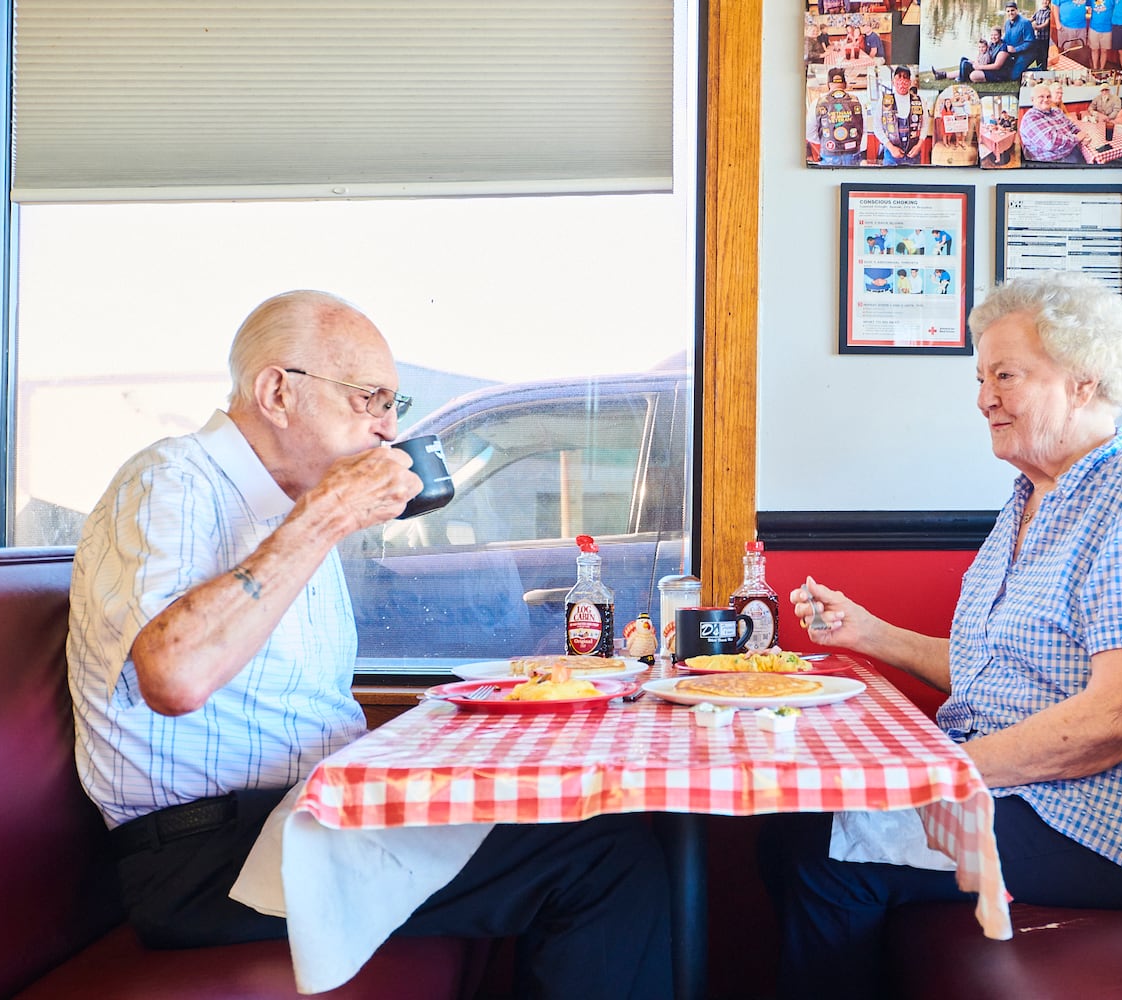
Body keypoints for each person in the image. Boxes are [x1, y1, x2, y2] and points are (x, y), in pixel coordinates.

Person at [67, 290, 673, 999]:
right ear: (277, 392)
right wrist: (326, 515)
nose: (390, 428)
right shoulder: (171, 480)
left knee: (589, 815)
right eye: (369, 399)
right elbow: (174, 677)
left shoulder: (287, 509)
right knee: (601, 855)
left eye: (394, 405)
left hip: (303, 816)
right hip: (206, 855)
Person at [760, 273, 1122, 1000]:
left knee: (824, 847)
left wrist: (932, 772)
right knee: (798, 825)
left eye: (1006, 375)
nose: (984, 398)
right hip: (1034, 795)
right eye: (981, 378)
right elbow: (995, 671)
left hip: (1119, 825)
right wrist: (868, 632)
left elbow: (1121, 714)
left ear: (1082, 382)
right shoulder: (1026, 501)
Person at [1018, 81, 1088, 163]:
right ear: (1032, 99)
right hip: (1053, 161)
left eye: (1048, 96)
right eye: (1041, 97)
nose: (1046, 99)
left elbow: (1071, 125)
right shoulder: (1030, 118)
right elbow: (1051, 142)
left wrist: (1081, 134)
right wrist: (1077, 138)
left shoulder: (1056, 111)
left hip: (1071, 151)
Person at [870, 65, 926, 165]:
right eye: (898, 78)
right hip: (891, 154)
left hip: (913, 152)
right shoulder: (884, 100)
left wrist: (919, 146)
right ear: (893, 82)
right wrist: (891, 148)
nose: (902, 82)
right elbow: (877, 127)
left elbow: (924, 125)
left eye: (905, 78)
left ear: (910, 82)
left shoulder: (919, 100)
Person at [813, 68, 865, 166]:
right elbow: (864, 128)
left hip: (829, 152)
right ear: (845, 84)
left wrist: (825, 141)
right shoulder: (856, 100)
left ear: (828, 84)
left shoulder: (818, 102)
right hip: (852, 152)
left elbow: (809, 132)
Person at [1000, 0, 1041, 80]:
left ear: (1017, 10)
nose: (1010, 13)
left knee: (1014, 76)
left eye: (1012, 10)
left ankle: (1039, 70)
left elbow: (1030, 42)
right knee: (1006, 70)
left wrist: (1015, 49)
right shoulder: (1007, 23)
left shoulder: (1025, 23)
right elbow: (1006, 38)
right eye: (1008, 11)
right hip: (1014, 54)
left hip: (1027, 53)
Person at [1053, 0, 1091, 66]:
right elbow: (1055, 5)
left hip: (1081, 27)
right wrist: (1057, 22)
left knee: (1081, 50)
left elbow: (1092, 4)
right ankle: (1066, 67)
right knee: (1065, 50)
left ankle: (1079, 67)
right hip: (1065, 26)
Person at [1086, 0, 1114, 73]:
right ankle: (1095, 68)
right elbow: (1086, 5)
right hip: (1093, 28)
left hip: (1107, 29)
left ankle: (1102, 69)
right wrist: (1089, 9)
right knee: (1094, 49)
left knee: (1104, 51)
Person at [1032, 0, 1054, 69]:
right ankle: (1039, 68)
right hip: (1038, 37)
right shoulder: (1038, 11)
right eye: (1044, 0)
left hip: (1045, 38)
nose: (1045, 2)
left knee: (1044, 55)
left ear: (1049, 2)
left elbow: (1046, 23)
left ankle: (1044, 69)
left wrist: (1037, 27)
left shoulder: (1049, 12)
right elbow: (1031, 19)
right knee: (1038, 54)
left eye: (1047, 0)